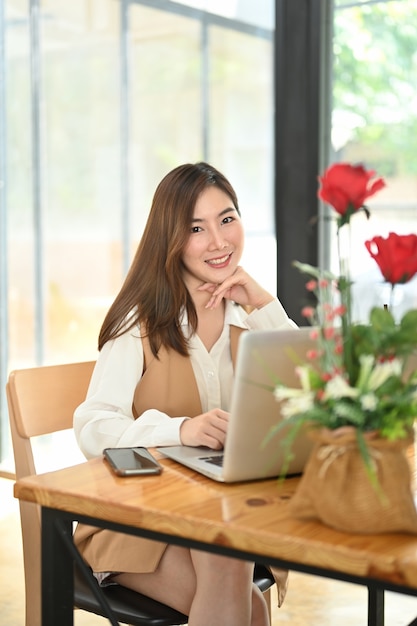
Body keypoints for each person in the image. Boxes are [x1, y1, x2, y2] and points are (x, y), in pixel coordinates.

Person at [73, 161, 296, 626]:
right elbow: (93, 424)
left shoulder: (248, 317)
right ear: (171, 239)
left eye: (227, 219)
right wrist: (182, 429)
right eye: (197, 228)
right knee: (239, 587)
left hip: (220, 512)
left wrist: (265, 306)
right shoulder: (139, 324)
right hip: (135, 523)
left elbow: (313, 396)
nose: (218, 242)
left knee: (240, 586)